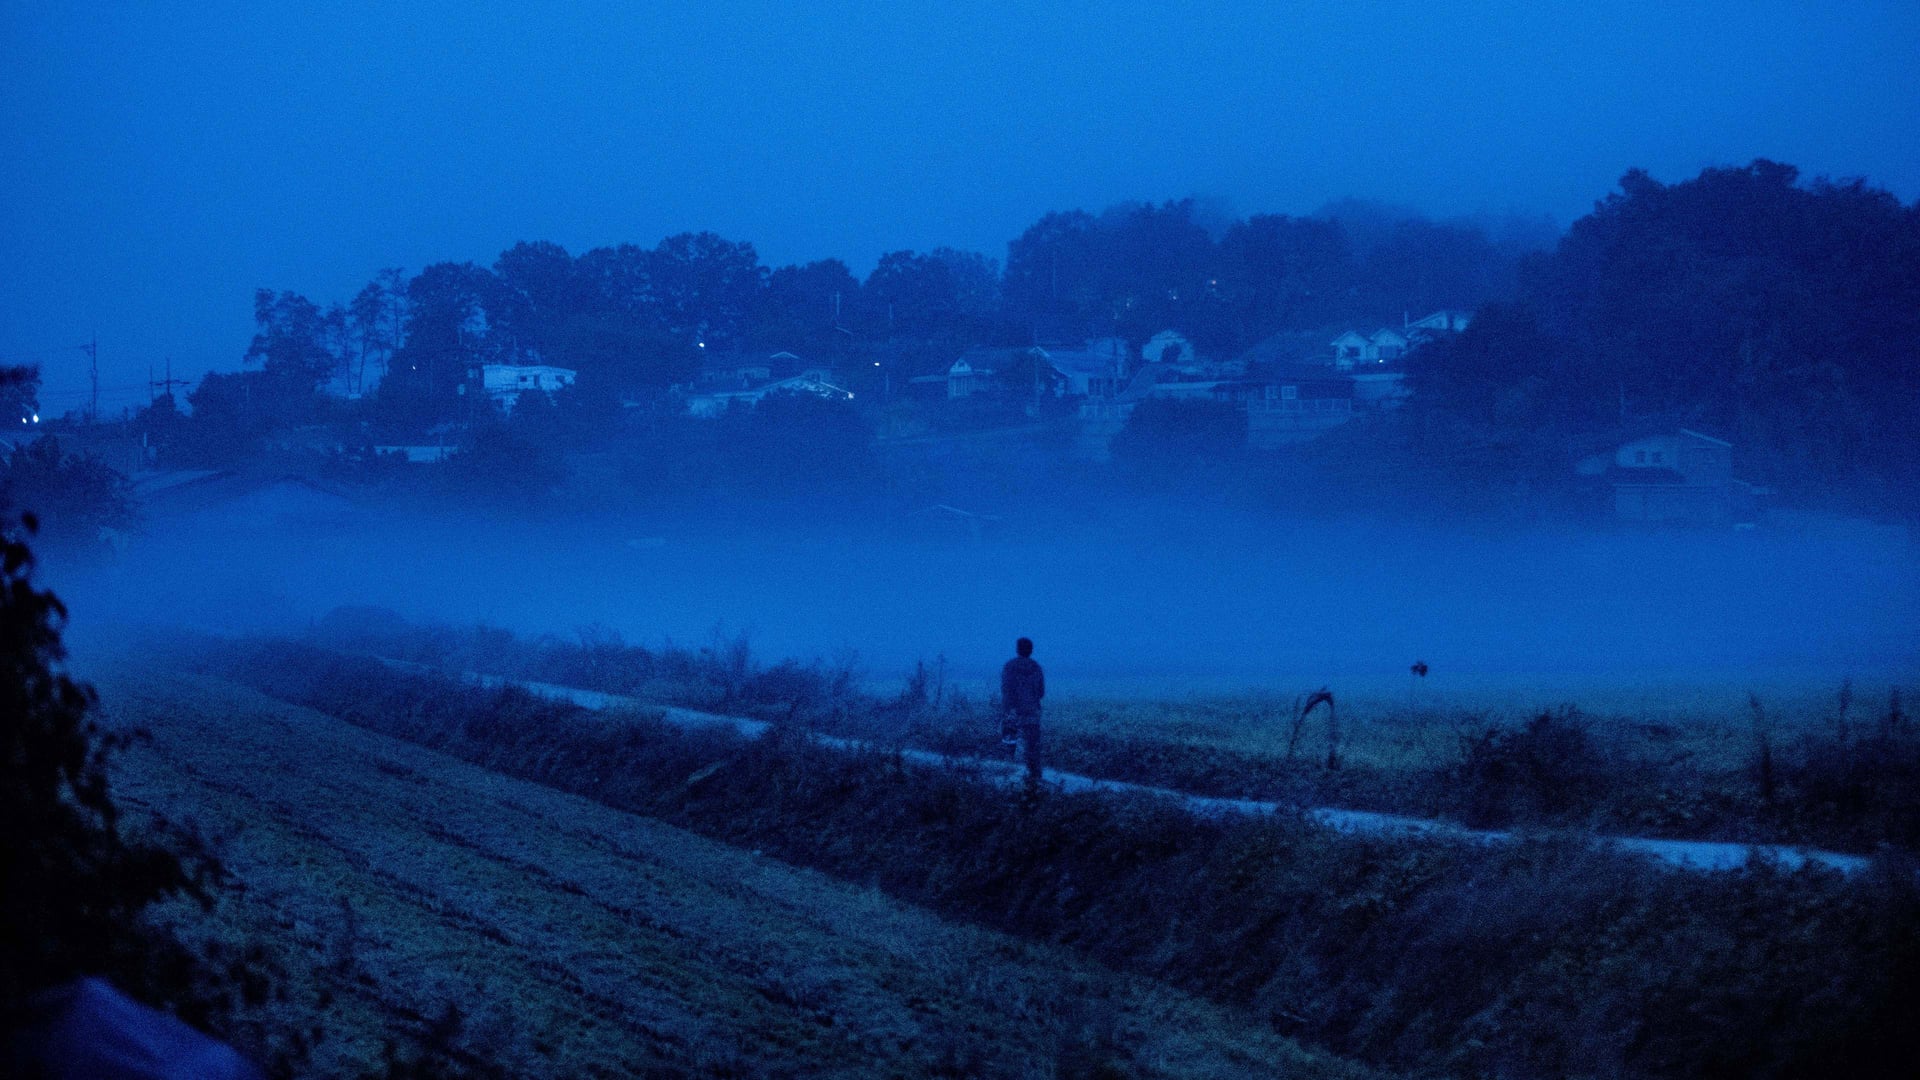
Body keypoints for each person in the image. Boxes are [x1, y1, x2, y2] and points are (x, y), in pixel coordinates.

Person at [1000, 637, 1045, 782]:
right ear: (1031, 650)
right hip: (1032, 711)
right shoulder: (1036, 667)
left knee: (1009, 743)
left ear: (1017, 649)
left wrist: (1009, 708)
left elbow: (1006, 689)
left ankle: (1007, 777)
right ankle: (1035, 776)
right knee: (1033, 745)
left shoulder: (1009, 666)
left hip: (1012, 711)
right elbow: (1041, 692)